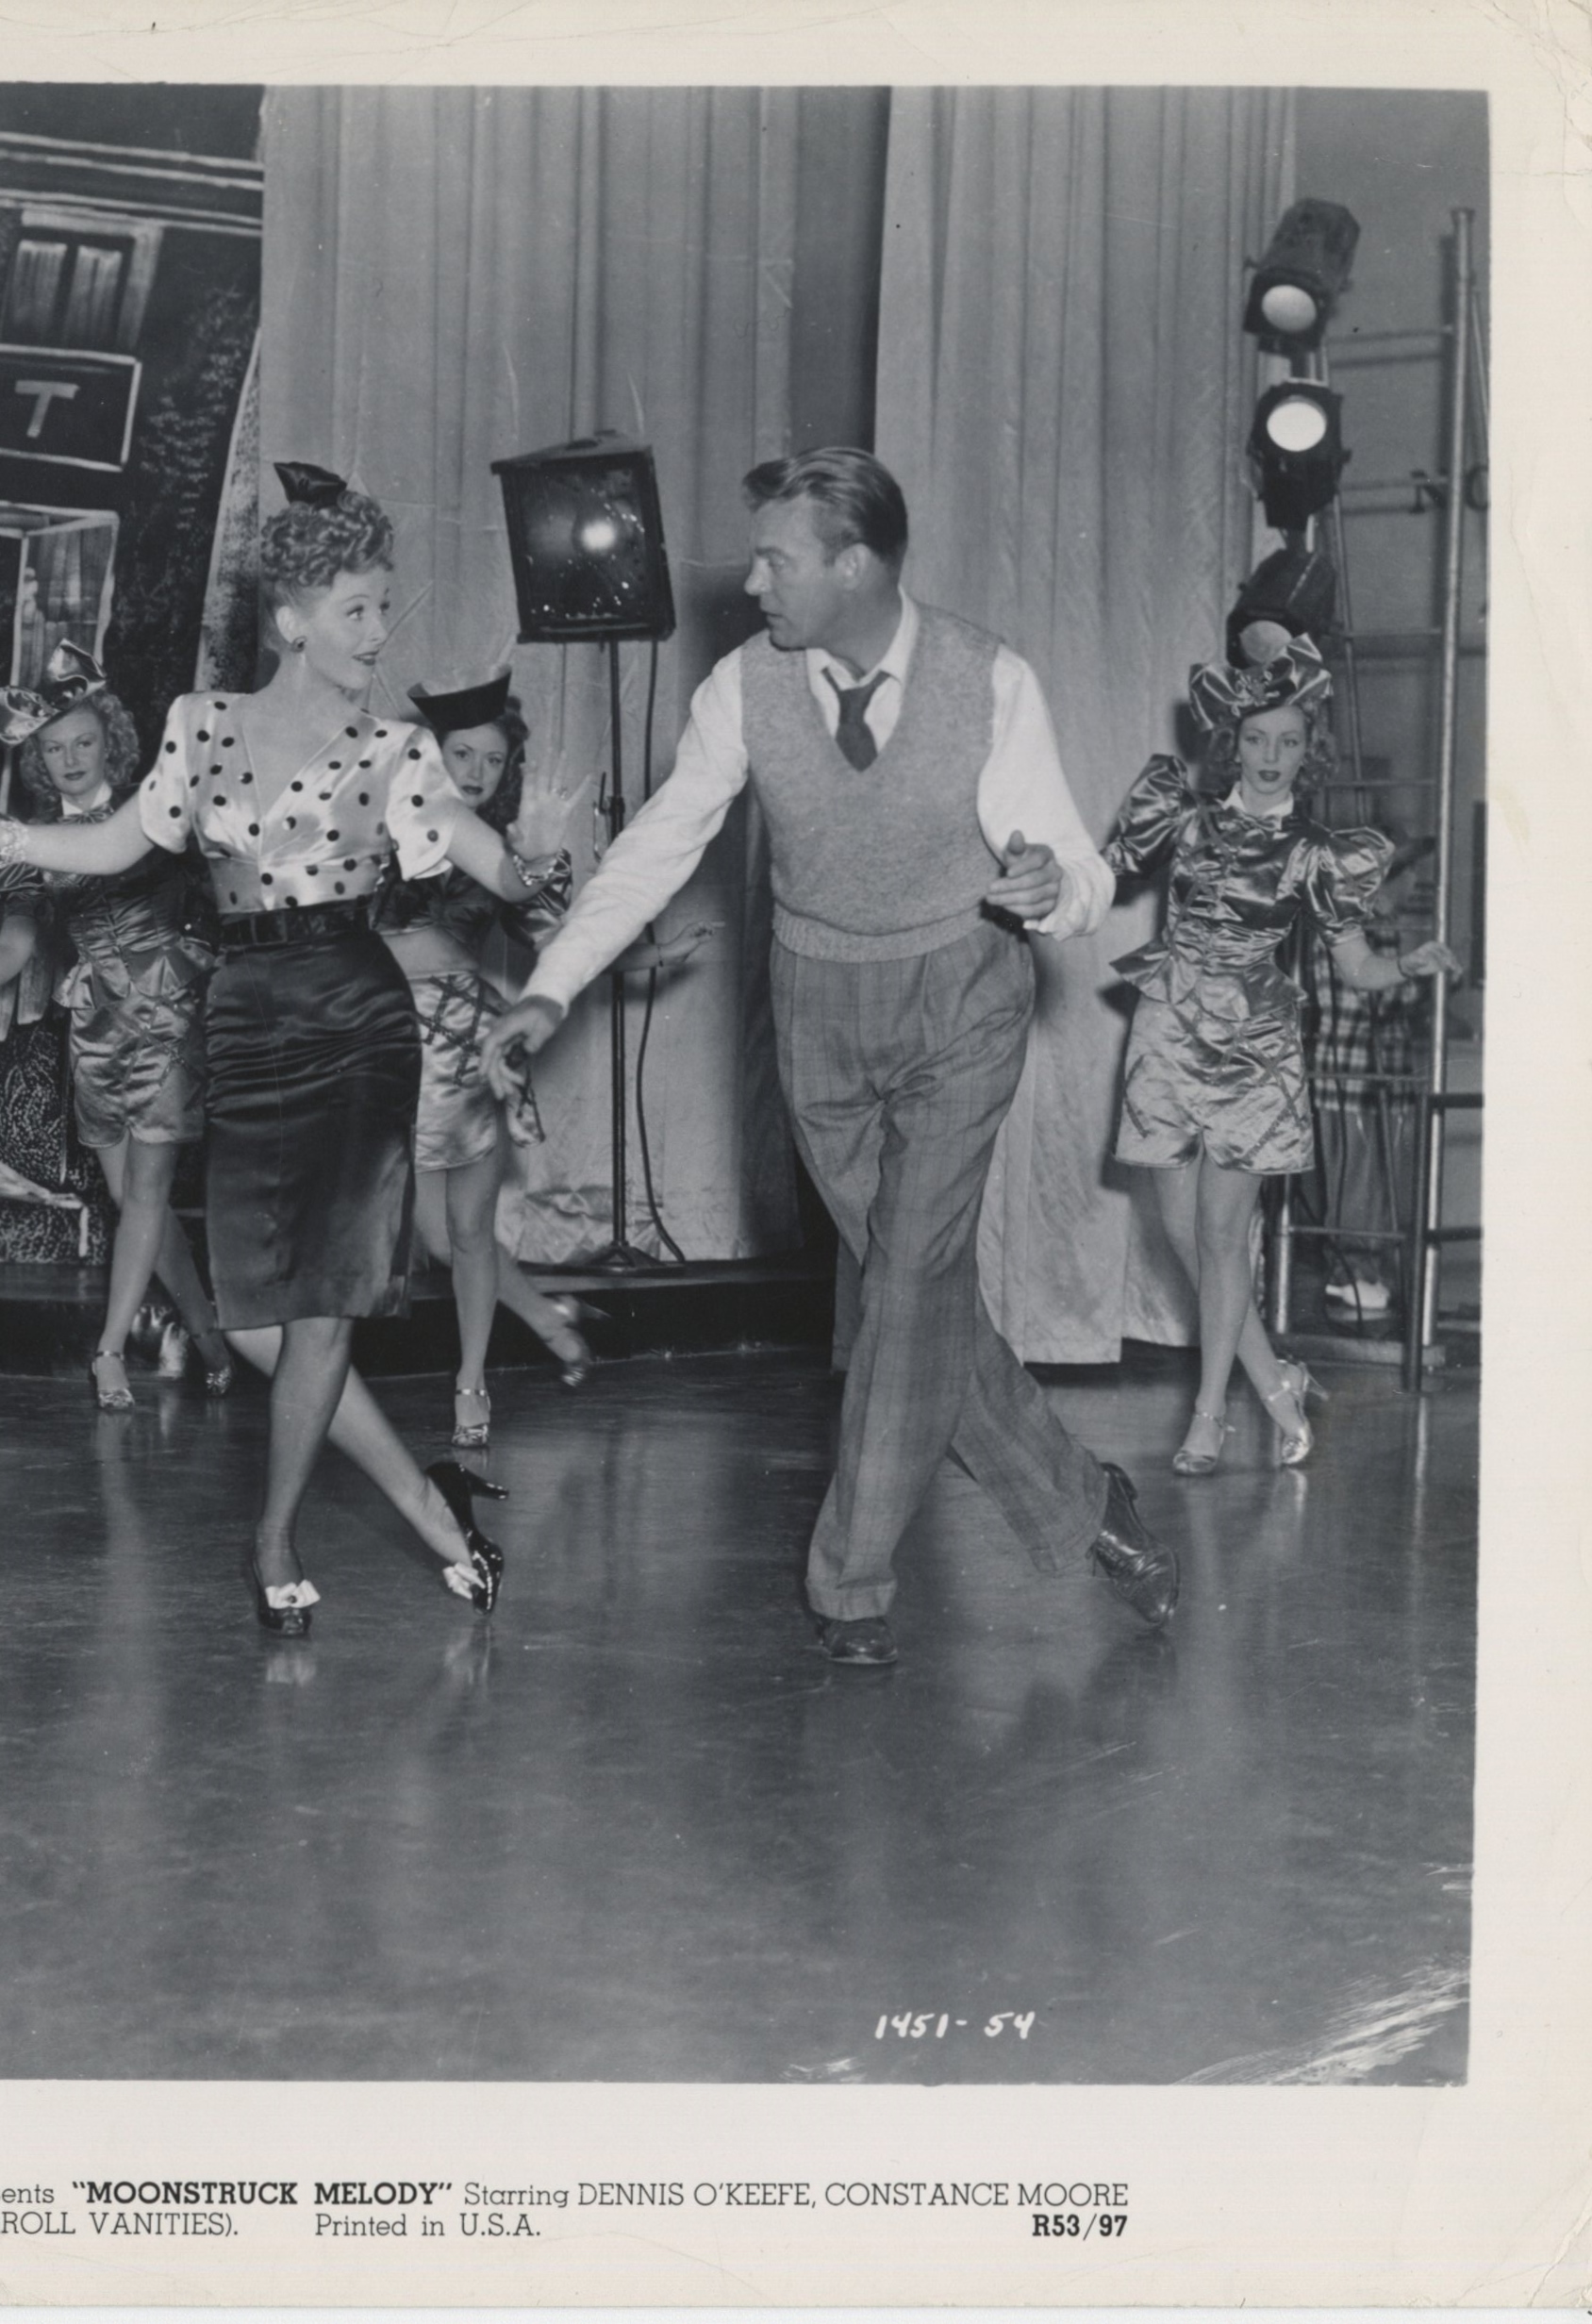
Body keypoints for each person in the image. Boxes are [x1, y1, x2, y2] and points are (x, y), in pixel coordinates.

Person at [481, 449, 1182, 1667]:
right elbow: (656, 848)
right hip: (817, 1010)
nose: (753, 582)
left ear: (856, 566)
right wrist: (549, 992)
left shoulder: (989, 679)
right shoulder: (743, 692)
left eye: (776, 559)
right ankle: (1083, 1501)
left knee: (906, 1286)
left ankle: (849, 1584)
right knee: (917, 1296)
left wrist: (1047, 886)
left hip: (963, 996)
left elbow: (1083, 867)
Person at [0, 463, 565, 1636]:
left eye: (380, 605)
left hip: (358, 1020)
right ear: (292, 621)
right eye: (358, 610)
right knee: (255, 1316)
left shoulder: (397, 752)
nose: (378, 631)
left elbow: (485, 855)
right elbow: (115, 847)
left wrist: (537, 873)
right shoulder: (200, 729)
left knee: (322, 1308)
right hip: (250, 1016)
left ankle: (272, 1537)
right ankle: (425, 1499)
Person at [1101, 638, 1461, 1475]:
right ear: (1232, 741)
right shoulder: (1184, 820)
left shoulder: (1315, 853)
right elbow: (1108, 870)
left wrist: (1409, 962)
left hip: (1255, 1050)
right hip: (1167, 1029)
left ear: (1311, 749)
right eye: (1256, 739)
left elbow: (1358, 966)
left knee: (1224, 1240)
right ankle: (1275, 1378)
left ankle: (1208, 1417)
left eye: (1289, 741)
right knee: (1179, 1233)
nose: (1270, 758)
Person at [0, 641, 232, 1414]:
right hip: (96, 1030)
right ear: (39, 760)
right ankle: (212, 1339)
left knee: (146, 1193)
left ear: (109, 737)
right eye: (55, 748)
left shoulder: (155, 810)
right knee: (137, 1203)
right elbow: (15, 945)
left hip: (170, 1015)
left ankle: (108, 1351)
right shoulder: (36, 844)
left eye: (84, 741)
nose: (72, 758)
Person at [383, 670, 715, 1447]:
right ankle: (548, 1318)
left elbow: (568, 940)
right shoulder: (375, 833)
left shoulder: (496, 859)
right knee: (433, 1238)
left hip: (461, 1047)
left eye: (490, 762)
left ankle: (471, 1384)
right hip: (377, 1042)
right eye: (460, 754)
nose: (472, 772)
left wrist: (657, 954)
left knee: (462, 1235)